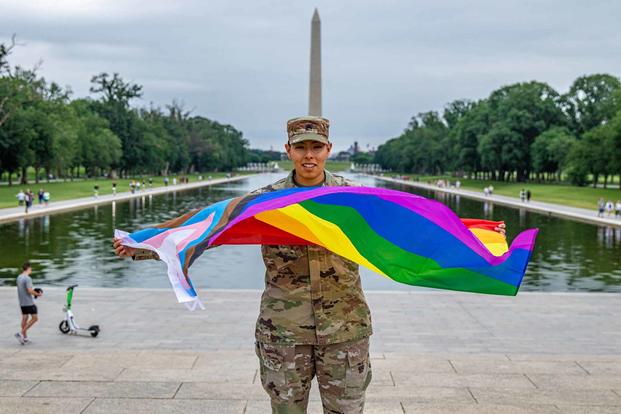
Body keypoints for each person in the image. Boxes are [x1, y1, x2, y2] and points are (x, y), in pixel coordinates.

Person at [112, 116, 507, 414]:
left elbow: (416, 231)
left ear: (328, 149)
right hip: (284, 332)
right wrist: (141, 245)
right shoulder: (262, 204)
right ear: (288, 150)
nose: (309, 156)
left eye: (316, 147)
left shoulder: (355, 201)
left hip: (345, 331)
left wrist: (479, 239)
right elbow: (204, 227)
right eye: (301, 148)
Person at [15, 262, 42, 345]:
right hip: (28, 302)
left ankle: (25, 338)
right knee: (35, 318)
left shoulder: (19, 277)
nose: (31, 270)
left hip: (22, 302)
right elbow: (29, 290)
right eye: (31, 269)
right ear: (28, 268)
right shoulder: (27, 278)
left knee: (25, 318)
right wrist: (38, 294)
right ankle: (21, 333)